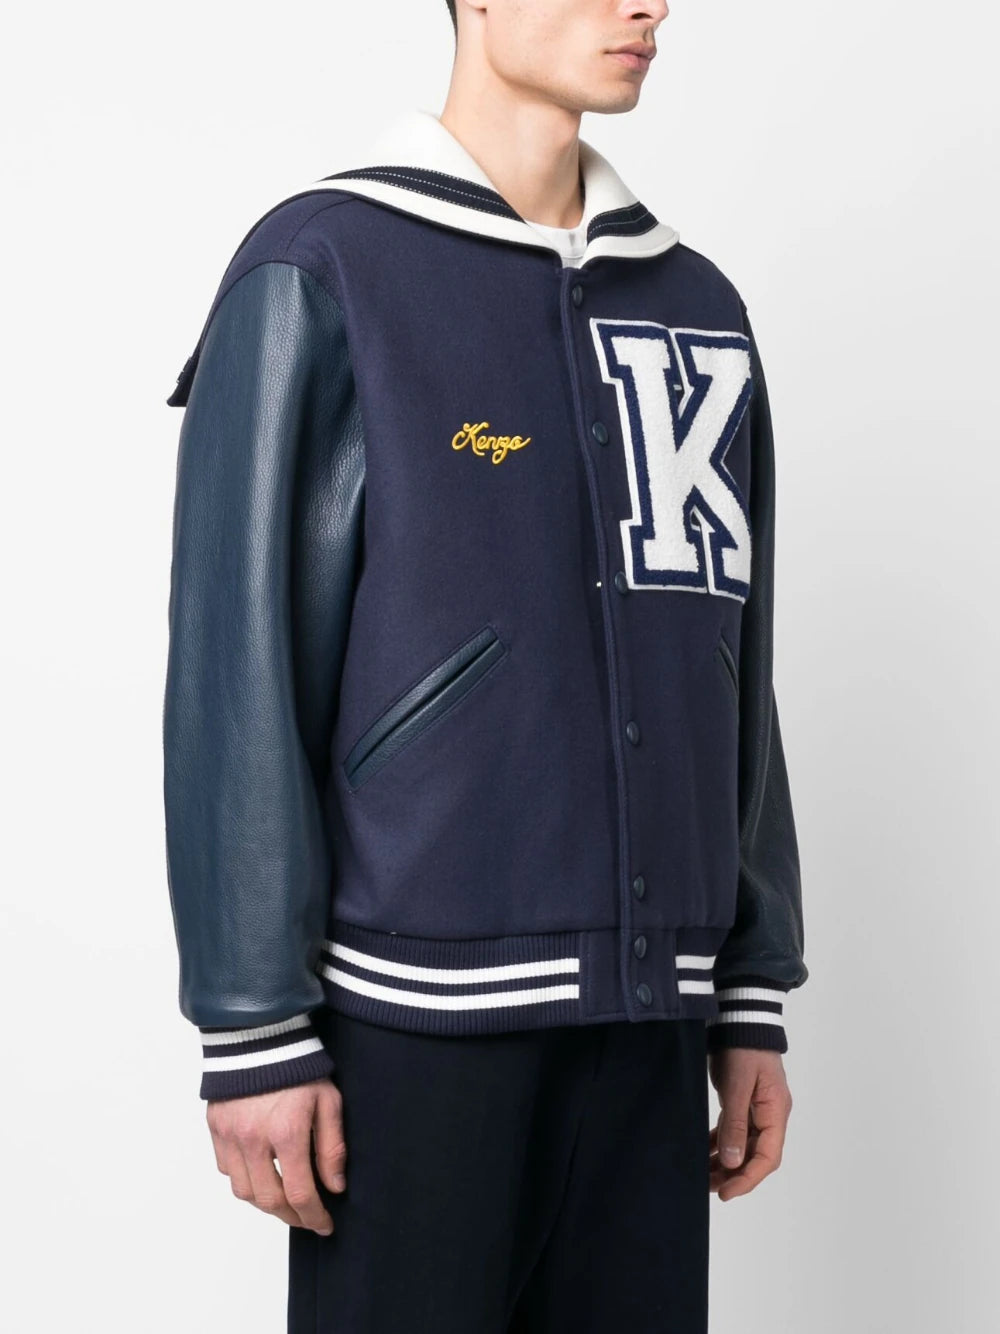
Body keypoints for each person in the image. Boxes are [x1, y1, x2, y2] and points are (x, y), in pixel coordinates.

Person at [162, 1, 808, 1330]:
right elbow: (236, 665)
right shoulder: (324, 270)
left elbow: (732, 662)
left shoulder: (698, 308)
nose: (647, 5)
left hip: (652, 1018)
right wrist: (252, 1026)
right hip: (412, 1031)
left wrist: (751, 986)